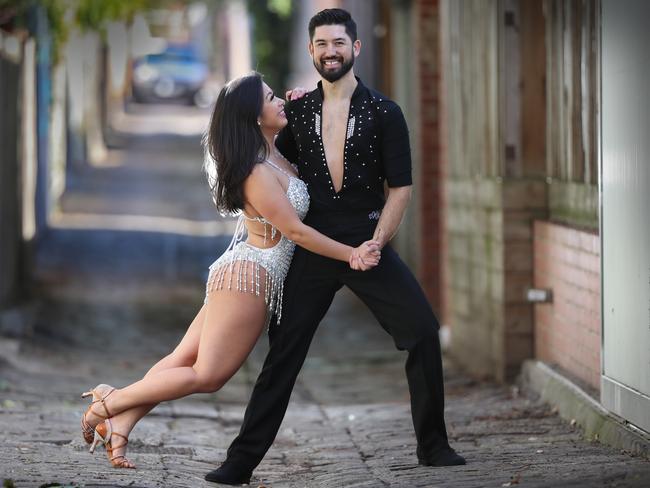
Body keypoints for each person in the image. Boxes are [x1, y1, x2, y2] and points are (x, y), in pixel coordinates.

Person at [205, 7, 465, 486]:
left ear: (355, 48)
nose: (330, 52)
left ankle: (434, 445)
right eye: (321, 44)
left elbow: (401, 189)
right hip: (315, 248)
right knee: (283, 352)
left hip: (367, 240)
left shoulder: (387, 113)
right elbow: (263, 155)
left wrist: (376, 243)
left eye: (339, 43)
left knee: (424, 332)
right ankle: (239, 463)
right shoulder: (296, 113)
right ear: (311, 50)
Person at [79, 72, 381, 469]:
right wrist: (350, 254)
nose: (279, 103)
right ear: (254, 116)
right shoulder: (256, 170)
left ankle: (119, 427)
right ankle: (110, 401)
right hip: (250, 275)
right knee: (208, 375)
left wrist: (309, 104)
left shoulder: (275, 155)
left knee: (180, 360)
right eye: (271, 98)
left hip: (244, 272)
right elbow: (293, 230)